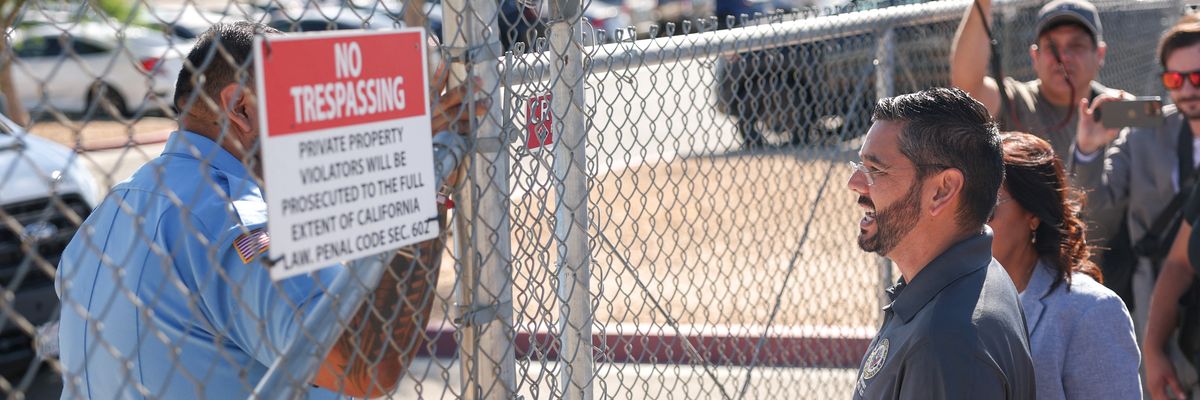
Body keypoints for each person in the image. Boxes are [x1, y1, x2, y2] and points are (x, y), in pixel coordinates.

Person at [53, 22, 486, 399]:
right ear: (240, 107)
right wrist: (423, 185)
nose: (316, 124)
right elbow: (366, 365)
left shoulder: (113, 207)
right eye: (297, 102)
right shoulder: (230, 216)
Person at [847, 87, 1035, 399]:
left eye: (875, 170)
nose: (855, 184)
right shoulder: (968, 278)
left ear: (942, 190)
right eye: (860, 166)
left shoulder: (946, 343)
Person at [1072, 15, 1200, 397]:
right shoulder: (1143, 135)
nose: (1188, 89)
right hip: (1152, 302)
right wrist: (1090, 151)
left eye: (1198, 76)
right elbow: (1094, 220)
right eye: (1175, 80)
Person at [951, 0, 1128, 258]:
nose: (1062, 57)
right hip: (1028, 265)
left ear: (1099, 54)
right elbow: (967, 85)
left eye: (1076, 46)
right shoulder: (1017, 101)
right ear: (1034, 56)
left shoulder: (1119, 111)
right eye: (1052, 47)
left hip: (1105, 265)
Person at [990, 131, 1141, 399]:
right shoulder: (955, 298)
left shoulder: (1091, 310)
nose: (972, 222)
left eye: (988, 208)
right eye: (966, 206)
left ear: (1033, 214)